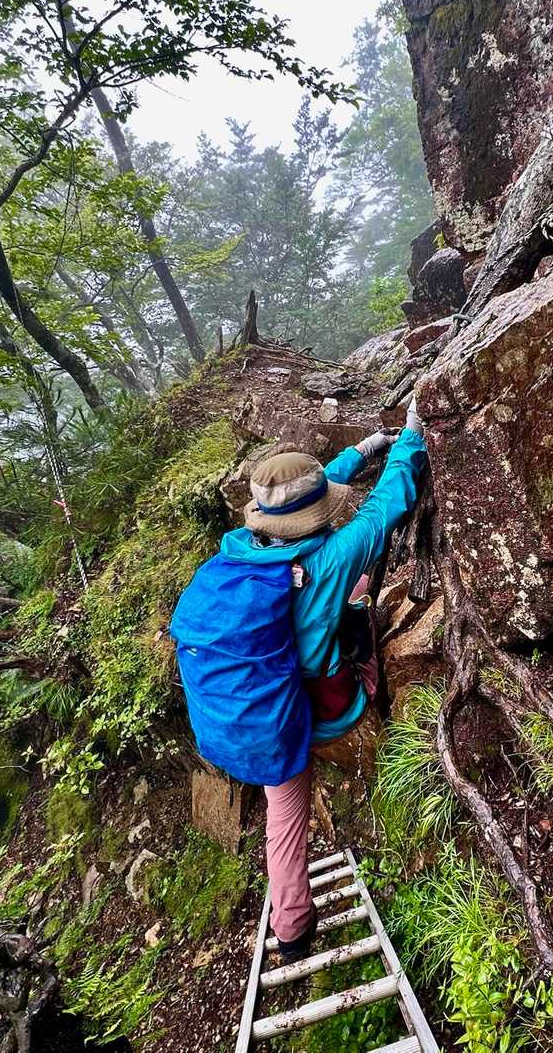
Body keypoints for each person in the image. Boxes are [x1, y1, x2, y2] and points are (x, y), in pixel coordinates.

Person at [219, 400, 426, 962]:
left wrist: (361, 450)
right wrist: (409, 437)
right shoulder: (331, 559)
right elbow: (386, 506)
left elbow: (301, 498)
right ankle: (374, 693)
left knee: (284, 820)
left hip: (263, 713)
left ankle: (291, 932)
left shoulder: (239, 550)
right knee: (357, 600)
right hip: (326, 708)